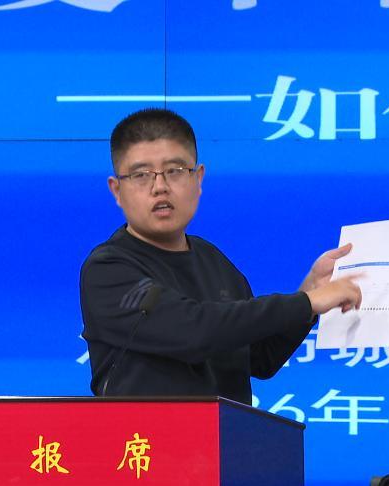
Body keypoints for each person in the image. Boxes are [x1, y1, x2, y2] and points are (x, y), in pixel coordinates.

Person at [80, 108, 361, 405]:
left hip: (226, 433)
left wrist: (310, 290)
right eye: (141, 175)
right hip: (146, 435)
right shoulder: (108, 268)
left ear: (198, 178)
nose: (160, 187)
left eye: (175, 171)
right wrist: (306, 302)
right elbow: (193, 331)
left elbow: (261, 357)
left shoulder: (213, 260)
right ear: (117, 190)